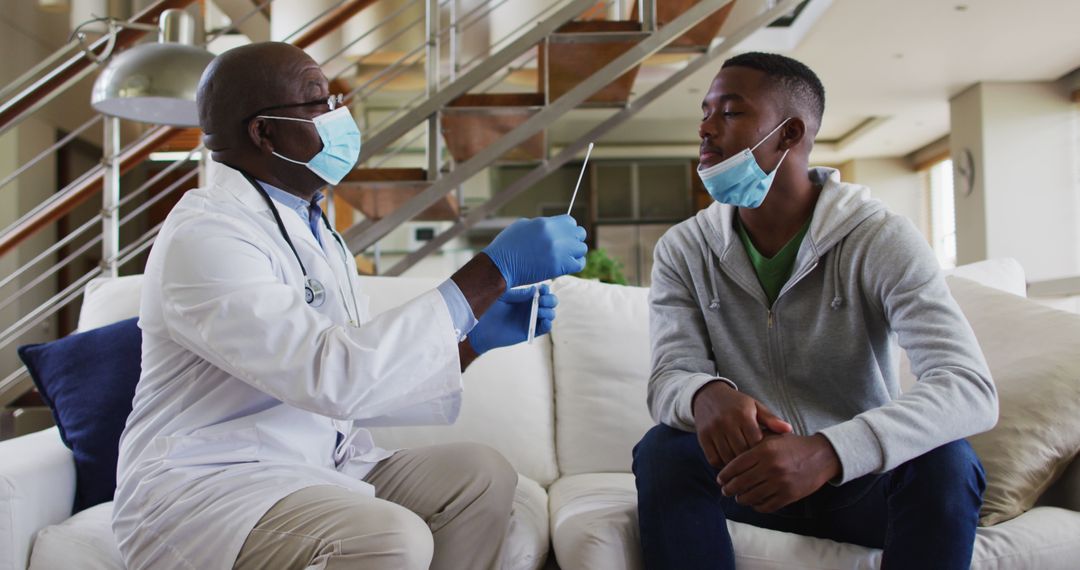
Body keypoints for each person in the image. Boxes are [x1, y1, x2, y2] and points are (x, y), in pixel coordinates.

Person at [111, 42, 587, 570]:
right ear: (263, 132)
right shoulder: (206, 236)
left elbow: (357, 390)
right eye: (318, 103)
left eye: (334, 98)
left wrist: (468, 345)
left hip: (312, 465)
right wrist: (489, 273)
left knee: (481, 476)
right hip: (210, 485)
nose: (339, 116)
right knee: (389, 537)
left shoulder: (308, 224)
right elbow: (329, 375)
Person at [632, 52, 998, 569]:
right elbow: (669, 374)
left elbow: (968, 386)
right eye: (706, 111)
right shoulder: (683, 248)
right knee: (663, 450)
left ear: (789, 134)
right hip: (747, 481)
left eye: (731, 112)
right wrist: (703, 393)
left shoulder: (880, 238)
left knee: (949, 460)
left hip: (860, 484)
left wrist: (829, 451)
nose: (706, 128)